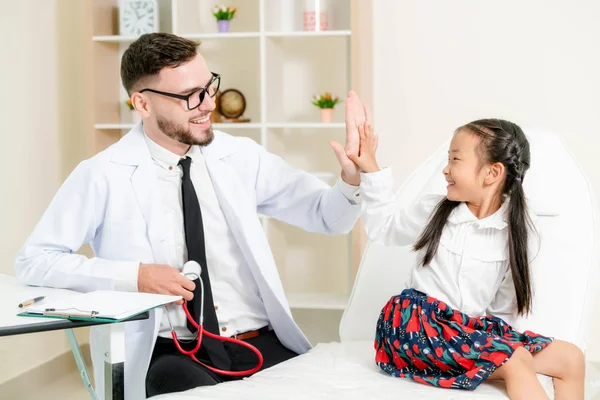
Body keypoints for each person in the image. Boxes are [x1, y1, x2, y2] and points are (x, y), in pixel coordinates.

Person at [14, 32, 369, 397]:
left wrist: (352, 178)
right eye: (189, 96)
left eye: (209, 87)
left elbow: (329, 217)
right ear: (143, 104)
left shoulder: (242, 157)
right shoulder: (102, 174)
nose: (207, 104)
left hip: (258, 341)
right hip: (174, 352)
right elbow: (35, 261)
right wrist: (136, 276)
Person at [347, 119, 585, 399]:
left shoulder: (517, 231)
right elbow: (384, 227)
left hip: (464, 331)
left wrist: (498, 342)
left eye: (455, 159)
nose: (445, 169)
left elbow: (503, 309)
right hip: (417, 326)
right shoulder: (435, 210)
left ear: (492, 173)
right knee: (514, 360)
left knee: (571, 358)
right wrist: (371, 169)